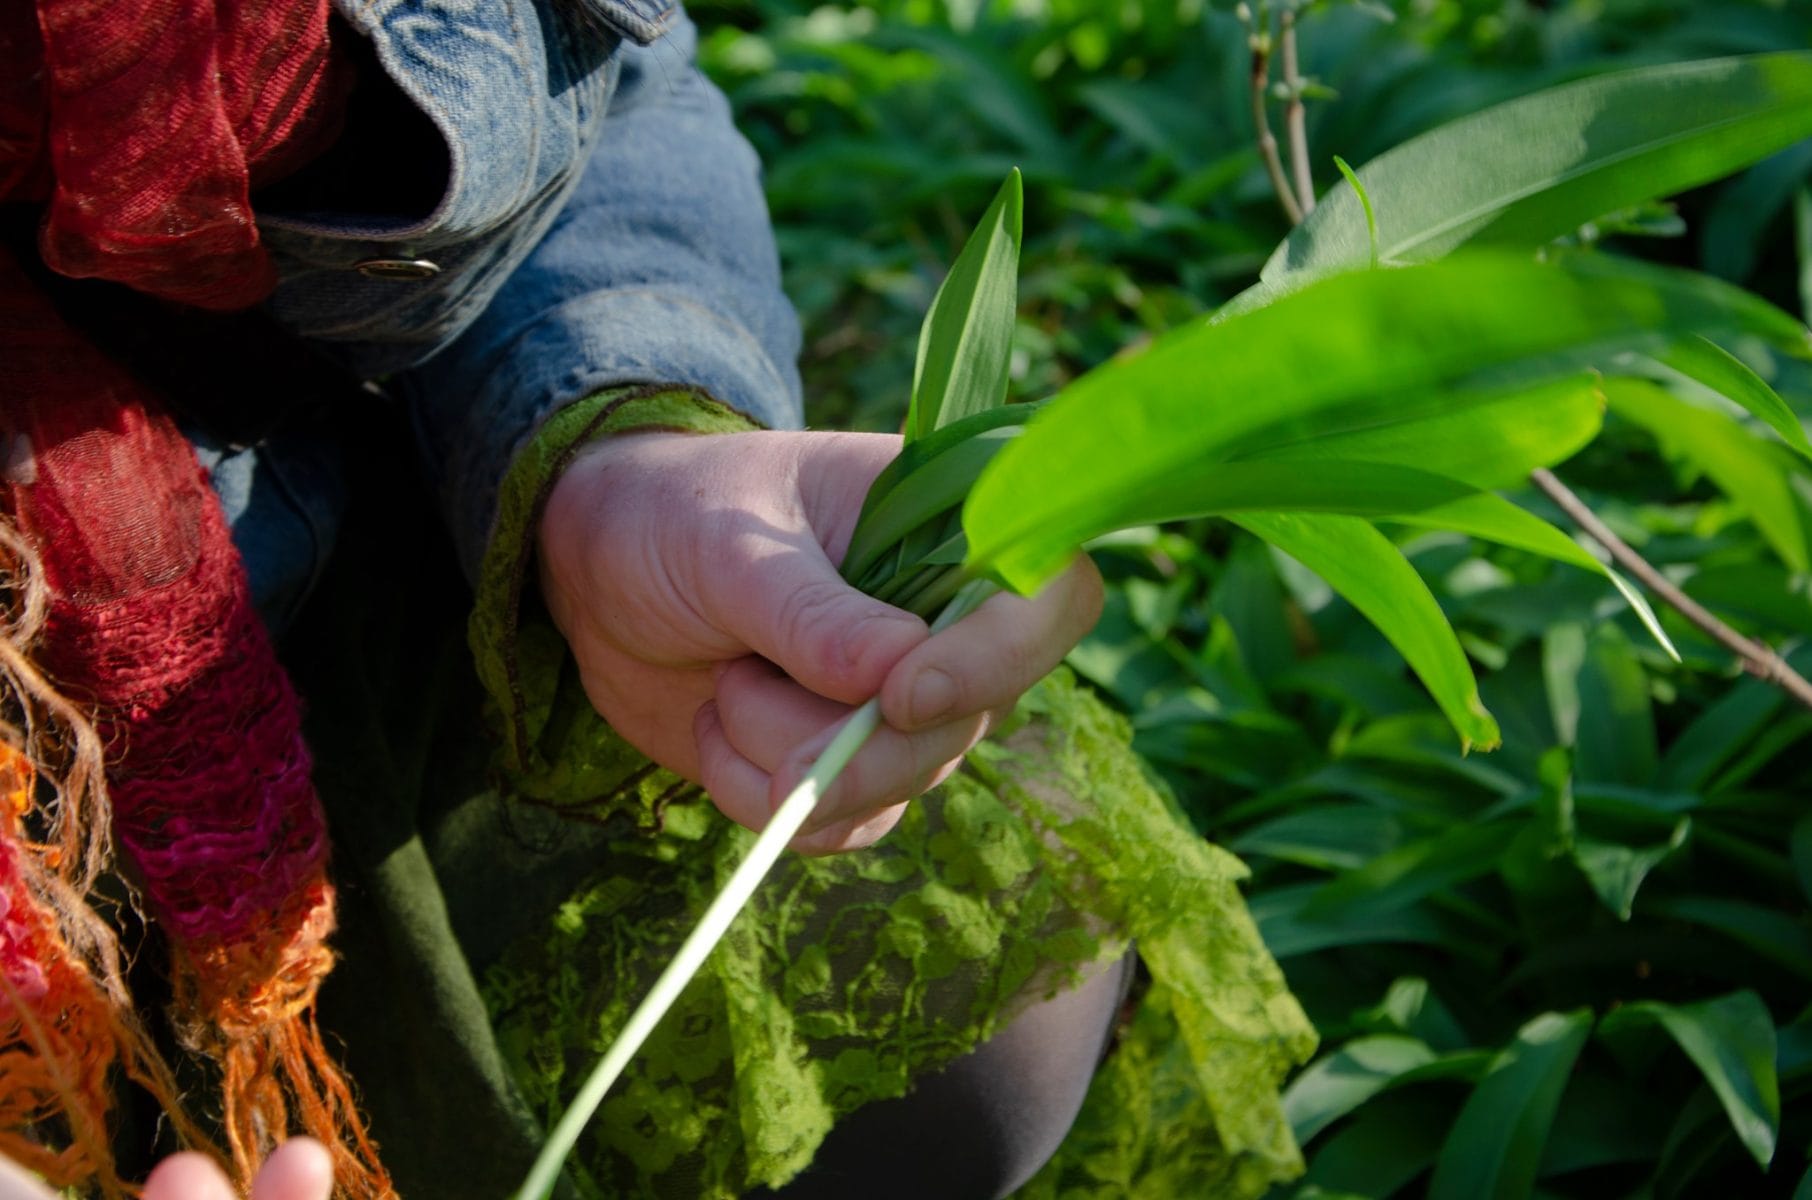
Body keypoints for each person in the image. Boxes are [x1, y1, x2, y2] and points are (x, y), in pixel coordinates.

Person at [0, 1, 1315, 1197]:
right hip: (39, 838)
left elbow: (602, 87)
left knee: (985, 991)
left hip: (288, 591)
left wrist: (612, 465)